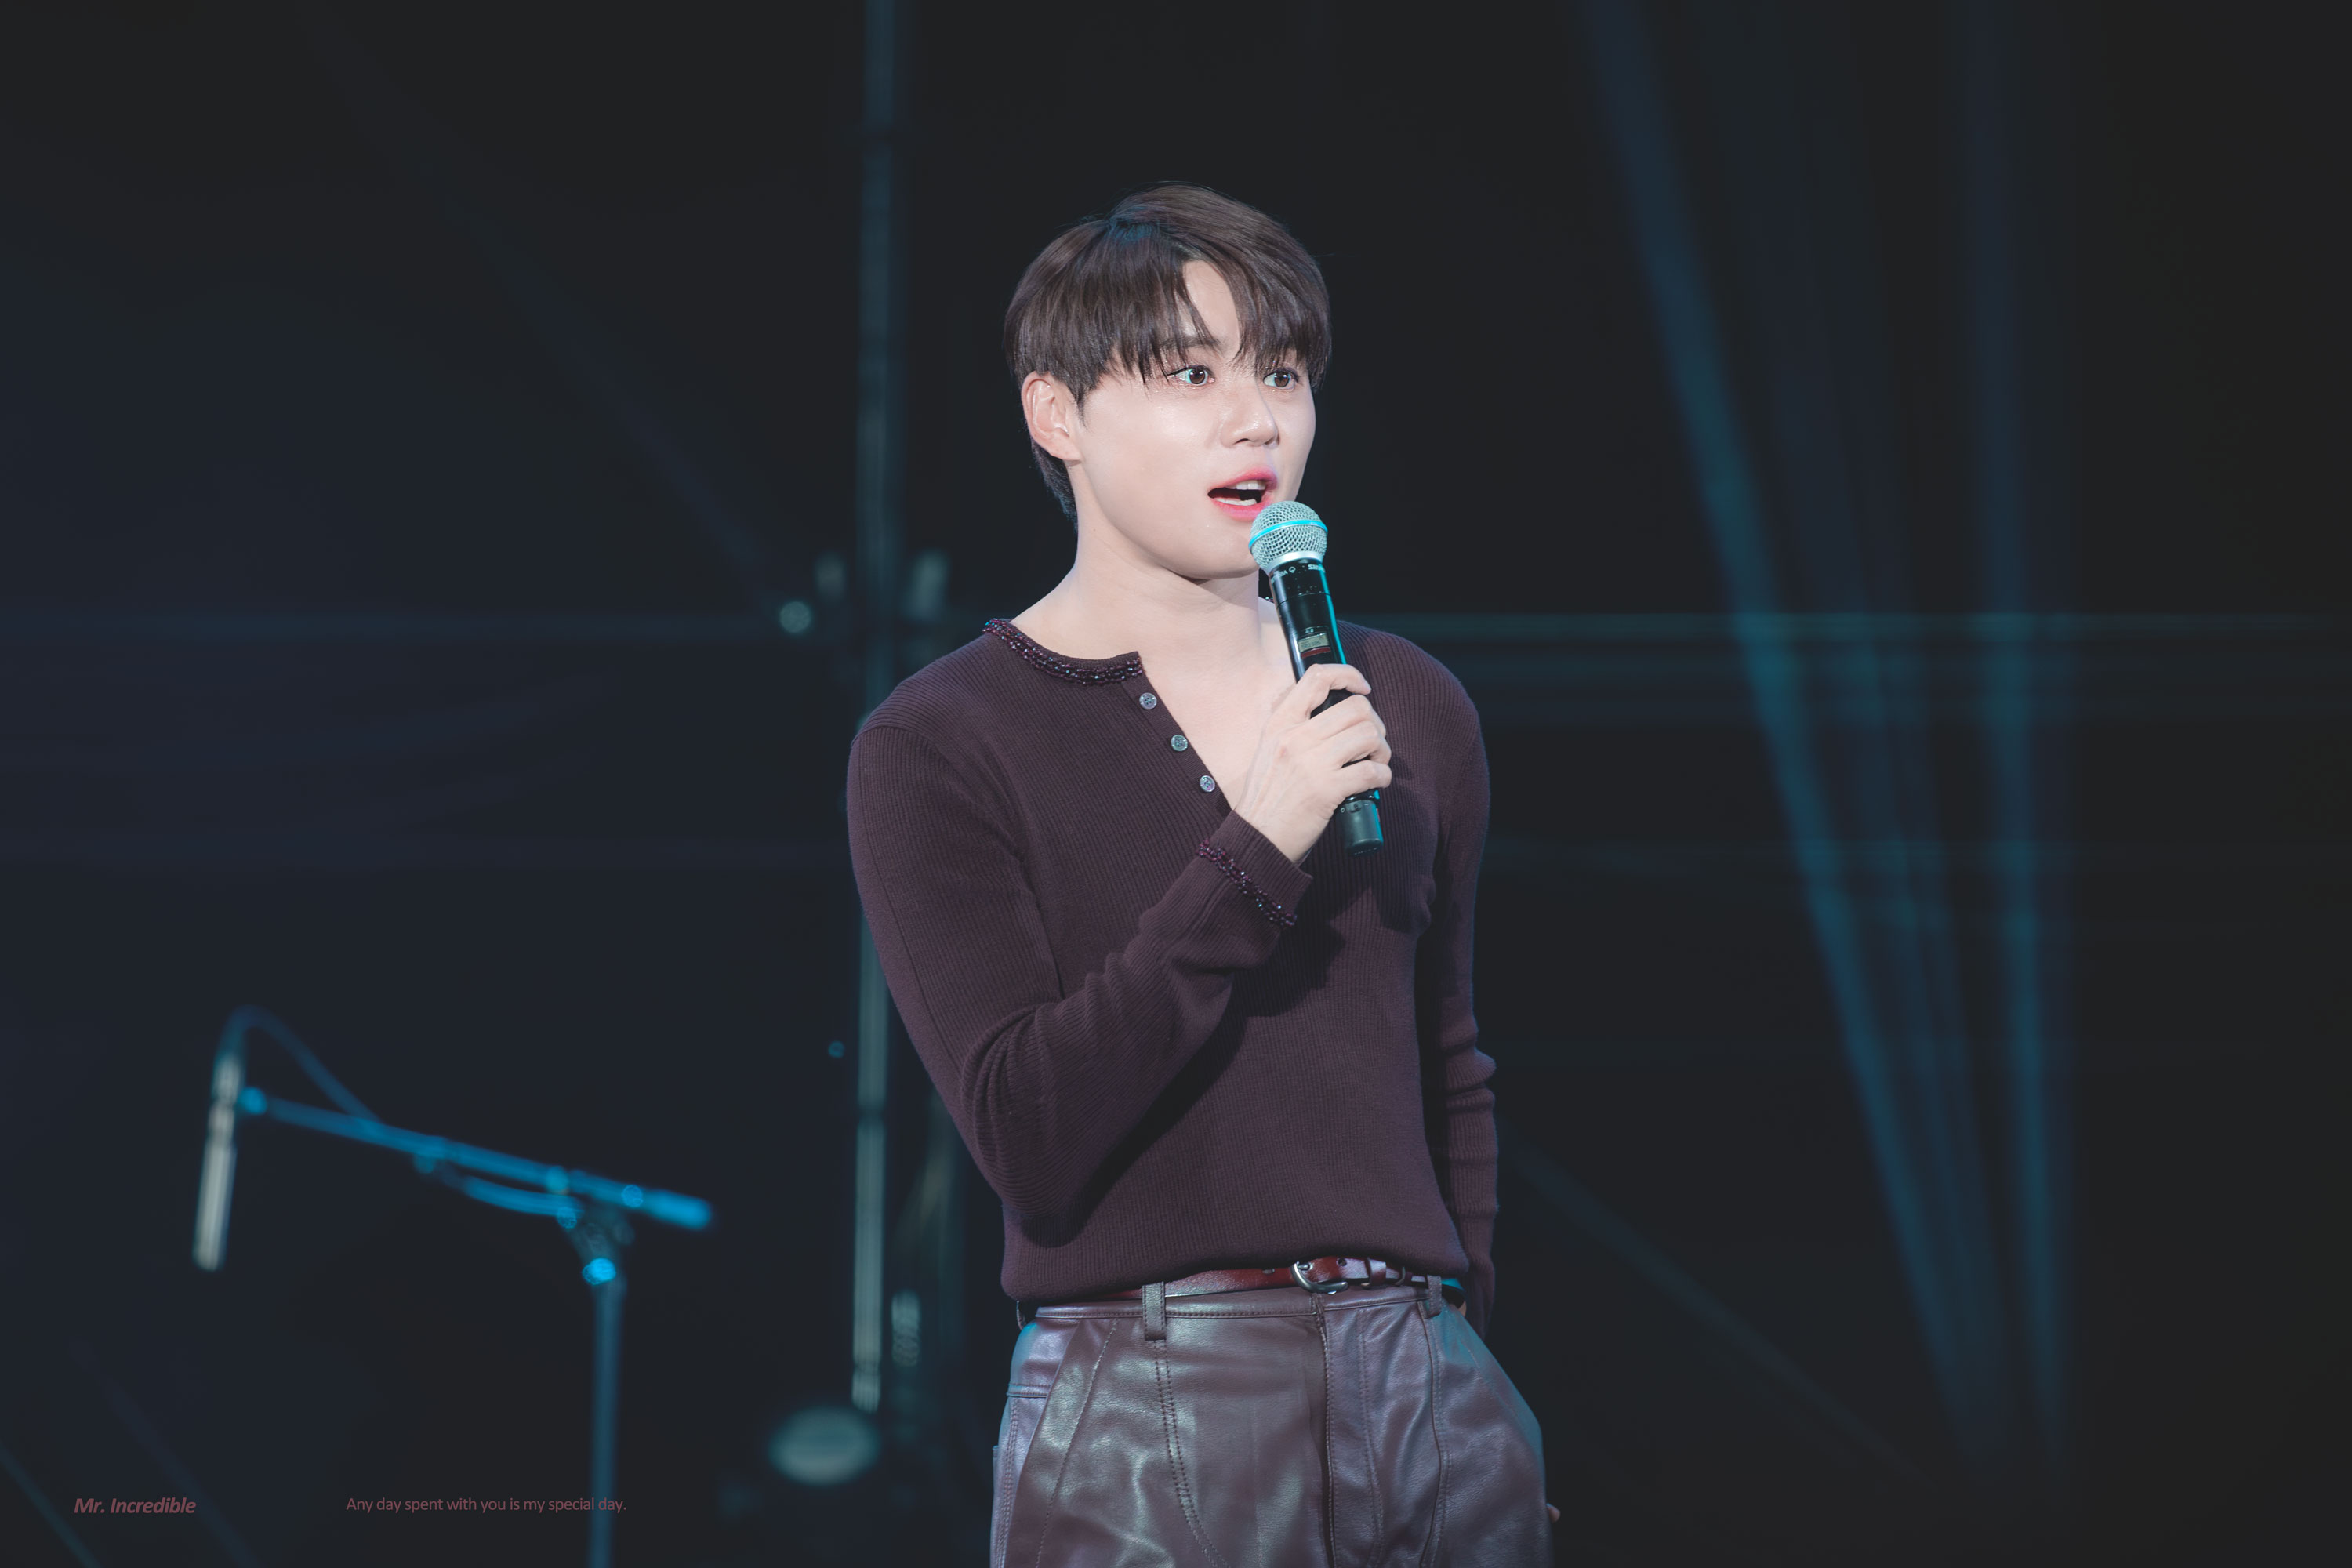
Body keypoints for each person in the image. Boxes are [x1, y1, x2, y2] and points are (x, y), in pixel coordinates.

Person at [847, 184, 1552, 1565]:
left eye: (1281, 374)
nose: (1256, 421)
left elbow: (1448, 1063)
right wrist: (1257, 843)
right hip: (1151, 1405)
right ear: (1058, 415)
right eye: (1190, 376)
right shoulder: (942, 742)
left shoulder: (1406, 700)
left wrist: (1467, 1365)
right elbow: (1025, 1128)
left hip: (1427, 1392)